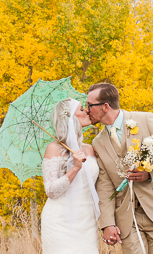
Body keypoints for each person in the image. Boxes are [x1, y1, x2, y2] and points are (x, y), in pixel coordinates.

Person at [86, 83, 153, 254]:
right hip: (127, 217)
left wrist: (149, 173)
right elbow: (104, 185)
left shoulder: (145, 119)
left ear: (105, 107)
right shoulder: (97, 142)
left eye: (89, 105)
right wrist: (107, 223)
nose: (87, 110)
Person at [40, 98, 101, 253]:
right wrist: (75, 168)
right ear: (70, 118)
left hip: (87, 221)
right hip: (60, 223)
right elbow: (51, 191)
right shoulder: (53, 149)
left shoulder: (89, 149)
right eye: (81, 109)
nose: (87, 110)